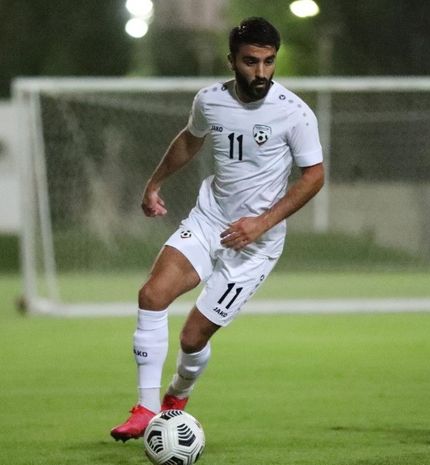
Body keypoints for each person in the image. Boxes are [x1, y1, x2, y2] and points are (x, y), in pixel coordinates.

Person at [110, 17, 324, 441]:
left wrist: (262, 223)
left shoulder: (295, 112)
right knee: (152, 295)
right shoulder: (209, 100)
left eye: (269, 62)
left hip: (255, 247)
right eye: (250, 62)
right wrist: (155, 182)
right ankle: (145, 408)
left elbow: (314, 176)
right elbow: (191, 139)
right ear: (231, 61)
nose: (261, 72)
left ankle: (177, 396)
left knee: (192, 338)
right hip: (209, 221)